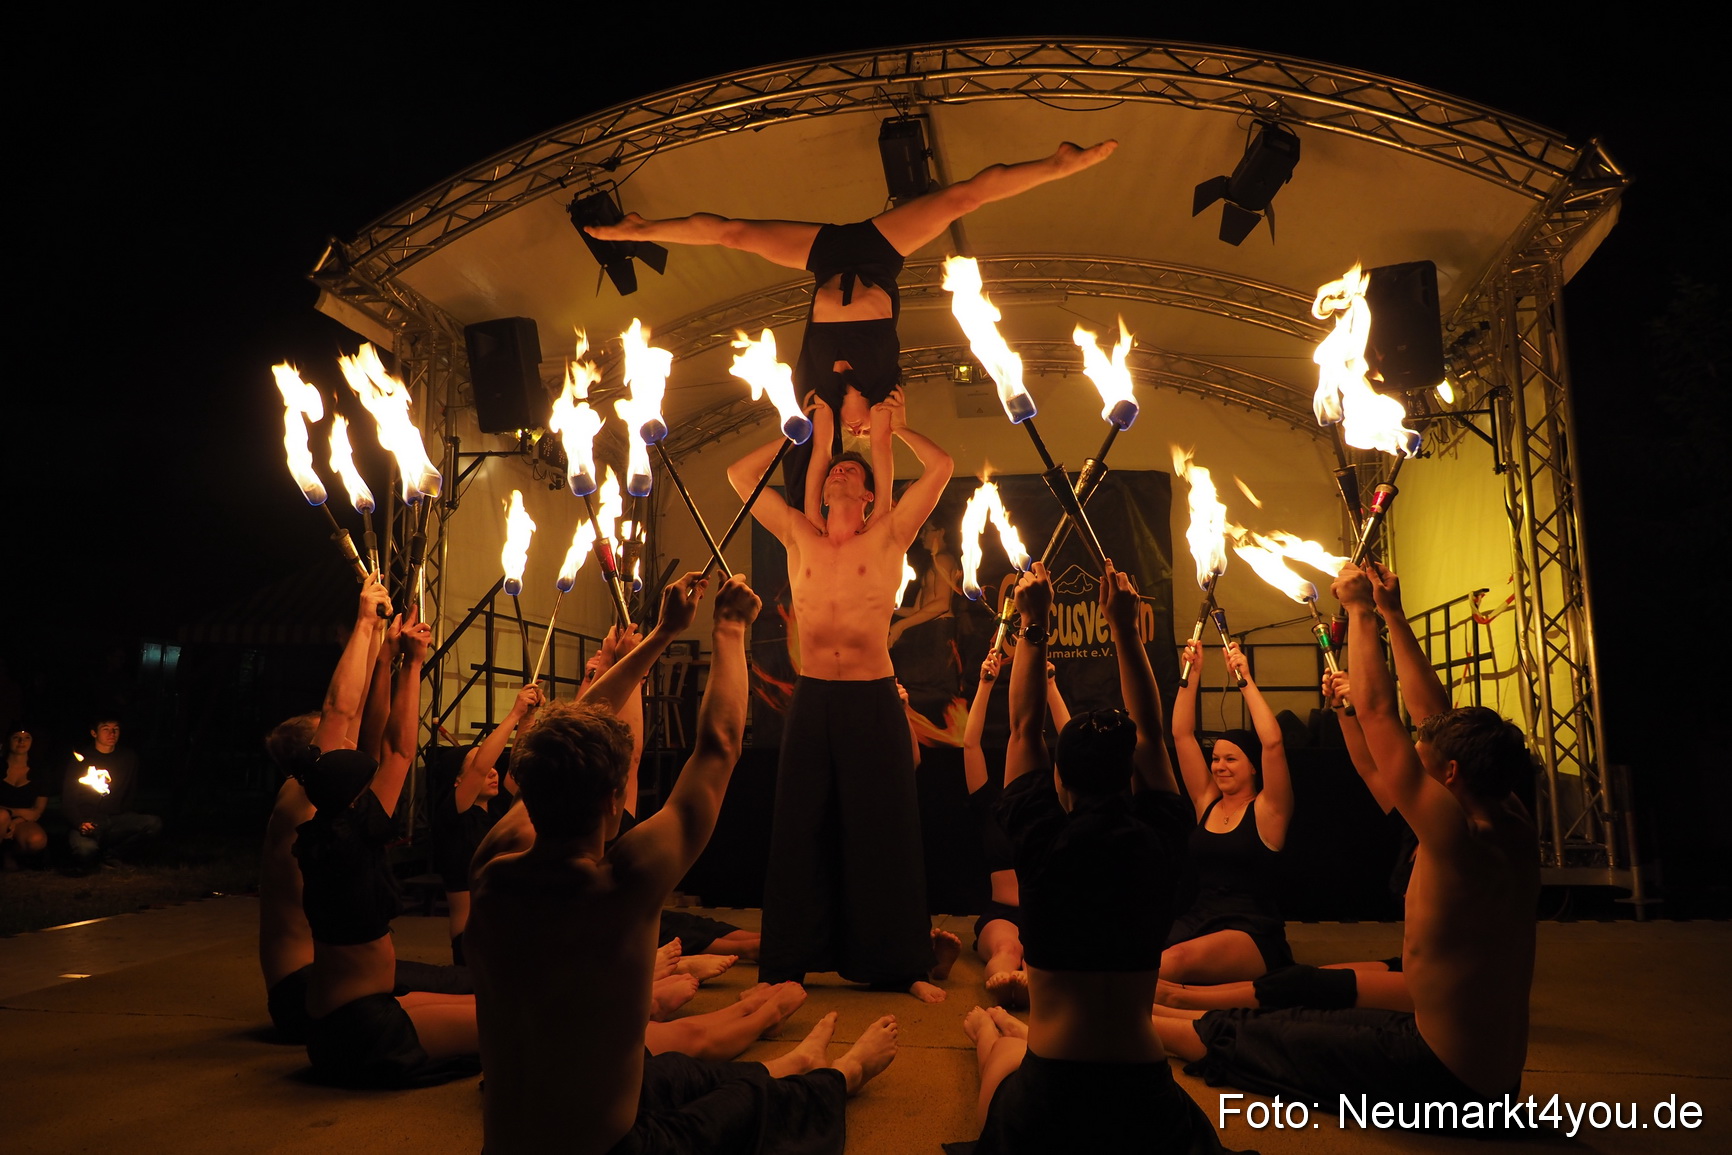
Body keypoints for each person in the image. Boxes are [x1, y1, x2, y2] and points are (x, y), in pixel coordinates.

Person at [467, 572, 899, 1155]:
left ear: (527, 785)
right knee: (744, 1106)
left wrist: (662, 635)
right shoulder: (623, 884)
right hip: (614, 1151)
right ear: (615, 801)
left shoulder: (491, 870)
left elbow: (558, 739)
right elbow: (719, 746)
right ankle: (839, 1074)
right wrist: (729, 627)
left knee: (674, 1073)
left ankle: (786, 1064)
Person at [1153, 560, 1539, 1123]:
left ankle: (1130, 1022)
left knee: (1260, 1036)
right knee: (1307, 990)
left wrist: (1360, 611)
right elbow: (1423, 728)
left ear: (1450, 775)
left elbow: (1383, 714)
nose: (1413, 751)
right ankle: (1171, 1001)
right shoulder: (1507, 814)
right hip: (1480, 1063)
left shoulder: (1456, 835)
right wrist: (1391, 615)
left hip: (1442, 1075)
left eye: (1423, 756)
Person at [586, 141, 1117, 512]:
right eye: (863, 437)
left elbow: (815, 460)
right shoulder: (883, 402)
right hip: (880, 254)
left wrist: (819, 495)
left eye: (854, 436)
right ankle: (1057, 164)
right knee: (962, 198)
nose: (859, 432)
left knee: (733, 234)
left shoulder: (812, 402)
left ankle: (641, 228)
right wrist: (880, 471)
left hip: (825, 258)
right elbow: (883, 463)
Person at [962, 561, 1228, 1153]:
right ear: (1132, 777)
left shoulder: (1040, 839)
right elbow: (1152, 735)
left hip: (1051, 1087)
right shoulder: (1159, 836)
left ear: (1059, 782)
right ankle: (998, 1028)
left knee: (1000, 1060)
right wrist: (1125, 629)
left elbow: (1023, 729)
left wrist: (1034, 621)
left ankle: (989, 1029)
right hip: (1144, 1089)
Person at [727, 387, 953, 999]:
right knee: (798, 826)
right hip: (814, 697)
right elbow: (739, 477)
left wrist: (893, 430)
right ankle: (786, 964)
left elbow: (941, 467)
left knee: (884, 827)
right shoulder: (797, 533)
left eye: (852, 471)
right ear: (821, 490)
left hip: (872, 694)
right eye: (832, 471)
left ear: (871, 494)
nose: (839, 473)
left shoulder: (889, 536)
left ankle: (902, 966)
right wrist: (796, 437)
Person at [258, 577, 470, 1045]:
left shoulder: (340, 811)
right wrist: (363, 624)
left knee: (472, 983)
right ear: (313, 756)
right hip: (305, 991)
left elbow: (387, 747)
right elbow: (342, 712)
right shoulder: (298, 801)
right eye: (339, 744)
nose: (351, 744)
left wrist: (397, 660)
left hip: (334, 983)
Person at [1160, 637, 1295, 983]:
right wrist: (1192, 675)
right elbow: (1181, 734)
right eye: (1216, 758)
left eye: (1231, 759)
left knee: (1170, 964)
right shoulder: (1207, 801)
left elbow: (1272, 743)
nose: (1219, 766)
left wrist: (1244, 679)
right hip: (1199, 919)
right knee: (1133, 955)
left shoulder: (1269, 809)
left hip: (1250, 930)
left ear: (1253, 767)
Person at [962, 645, 1070, 1008]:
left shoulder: (1054, 807)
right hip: (1002, 914)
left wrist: (1050, 686)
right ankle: (1005, 982)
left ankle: (1029, 982)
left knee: (1046, 956)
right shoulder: (989, 805)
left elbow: (1070, 743)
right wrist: (985, 684)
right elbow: (970, 744)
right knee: (1007, 950)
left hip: (1050, 910)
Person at [436, 682, 542, 964]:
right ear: (458, 781)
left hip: (507, 927)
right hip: (473, 935)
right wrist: (514, 714)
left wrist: (528, 718)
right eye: (482, 768)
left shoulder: (497, 810)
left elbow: (519, 767)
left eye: (495, 767)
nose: (493, 772)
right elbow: (482, 764)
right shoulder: (453, 815)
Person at [62, 716, 161, 869]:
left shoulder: (128, 758)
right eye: (106, 729)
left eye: (116, 729)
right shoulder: (82, 760)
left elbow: (131, 792)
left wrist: (126, 815)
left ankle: (112, 854)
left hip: (116, 818)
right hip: (88, 820)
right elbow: (68, 800)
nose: (112, 733)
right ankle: (92, 856)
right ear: (94, 733)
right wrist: (80, 823)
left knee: (153, 824)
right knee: (85, 850)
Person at [2, 728, 48, 867]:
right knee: (1, 816)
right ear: (8, 740)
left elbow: (37, 811)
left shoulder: (40, 771)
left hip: (22, 820)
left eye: (27, 737)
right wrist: (10, 814)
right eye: (16, 737)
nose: (22, 741)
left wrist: (15, 822)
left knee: (36, 840)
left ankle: (10, 854)